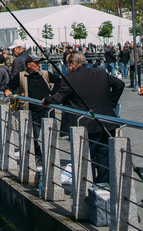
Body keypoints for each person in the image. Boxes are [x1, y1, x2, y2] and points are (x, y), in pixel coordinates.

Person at [43, 52, 124, 186]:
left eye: (68, 64)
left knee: (87, 156)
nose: (67, 67)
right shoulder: (100, 72)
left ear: (73, 64)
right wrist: (110, 103)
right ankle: (104, 185)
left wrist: (46, 100)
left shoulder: (70, 77)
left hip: (84, 123)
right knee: (104, 155)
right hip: (106, 121)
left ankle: (88, 185)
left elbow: (59, 98)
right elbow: (119, 84)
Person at [4, 57, 61, 159]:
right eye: (36, 63)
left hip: (46, 109)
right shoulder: (21, 76)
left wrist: (51, 95)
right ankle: (38, 156)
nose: (39, 65)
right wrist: (8, 90)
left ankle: (50, 159)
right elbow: (10, 86)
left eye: (39, 63)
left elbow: (59, 81)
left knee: (50, 134)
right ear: (29, 65)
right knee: (33, 135)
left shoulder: (45, 74)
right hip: (32, 110)